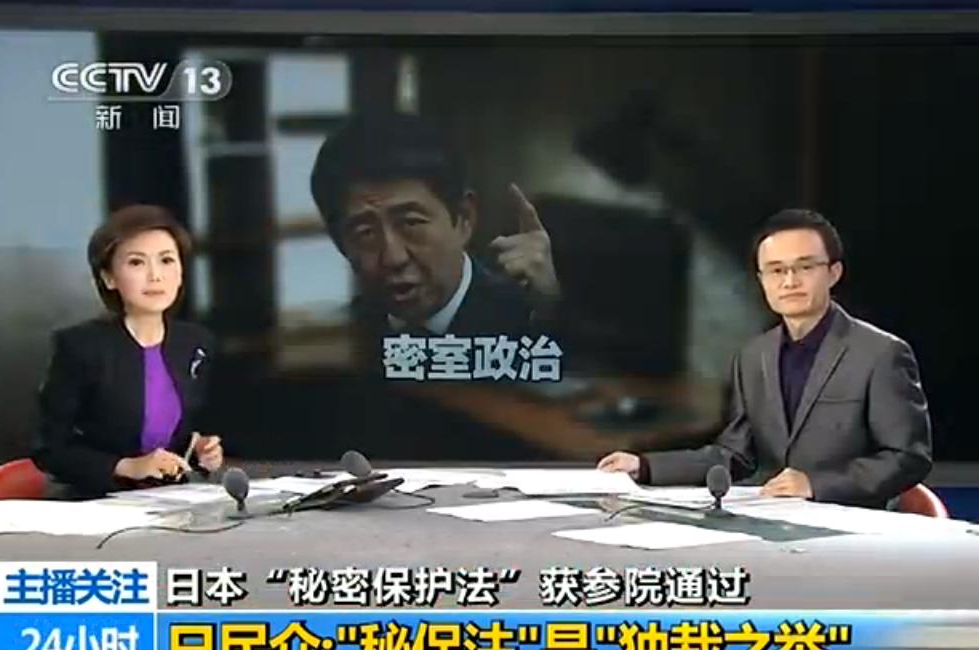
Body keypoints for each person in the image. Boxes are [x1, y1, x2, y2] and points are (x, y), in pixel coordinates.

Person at [598, 208, 932, 510]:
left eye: (805, 267)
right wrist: (644, 466)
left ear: (834, 273)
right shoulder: (753, 357)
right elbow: (735, 455)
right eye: (776, 270)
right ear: (762, 280)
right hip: (782, 520)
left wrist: (815, 484)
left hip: (859, 527)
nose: (789, 281)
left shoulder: (881, 353)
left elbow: (908, 457)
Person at [309, 112, 560, 351]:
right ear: (340, 243)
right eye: (366, 232)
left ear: (463, 218)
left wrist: (551, 312)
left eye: (410, 223)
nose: (394, 258)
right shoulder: (336, 340)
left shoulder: (535, 320)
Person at [32, 204, 224, 496]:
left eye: (166, 260)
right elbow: (48, 448)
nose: (155, 276)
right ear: (109, 278)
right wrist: (127, 466)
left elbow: (166, 432)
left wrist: (198, 448)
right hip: (94, 502)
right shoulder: (80, 346)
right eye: (137, 263)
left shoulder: (195, 343)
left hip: (169, 499)